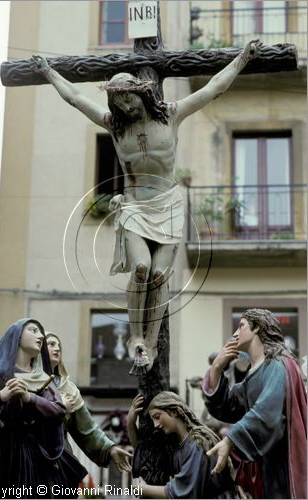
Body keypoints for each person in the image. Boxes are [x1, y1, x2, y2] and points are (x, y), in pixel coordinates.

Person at [32, 40, 262, 373]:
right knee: (140, 269)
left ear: (141, 93)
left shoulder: (170, 114)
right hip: (135, 208)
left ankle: (150, 344)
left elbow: (213, 88)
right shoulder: (114, 126)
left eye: (129, 97)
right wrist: (49, 72)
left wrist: (242, 59)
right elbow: (76, 98)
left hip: (168, 206)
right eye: (119, 100)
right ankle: (135, 337)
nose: (126, 105)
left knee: (158, 276)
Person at [0, 319, 86, 499]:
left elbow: (58, 409)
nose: (40, 335)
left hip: (38, 455)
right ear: (17, 337)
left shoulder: (42, 377)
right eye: (33, 330)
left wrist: (30, 398)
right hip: (5, 456)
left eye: (40, 332)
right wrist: (0, 396)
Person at [202, 308, 307, 499]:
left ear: (257, 328)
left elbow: (267, 413)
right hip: (264, 468)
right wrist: (217, 368)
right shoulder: (256, 372)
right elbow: (229, 406)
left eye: (241, 326)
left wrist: (231, 440)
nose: (234, 333)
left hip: (280, 470)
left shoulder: (278, 364)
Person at [46, 333, 132, 472]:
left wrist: (110, 447)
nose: (57, 349)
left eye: (59, 345)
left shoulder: (69, 389)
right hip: (30, 453)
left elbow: (87, 429)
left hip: (60, 458)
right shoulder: (26, 381)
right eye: (51, 344)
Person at [127, 391, 236, 499]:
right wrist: (130, 422)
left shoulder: (197, 444)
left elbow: (185, 492)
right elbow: (144, 451)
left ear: (173, 411)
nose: (156, 425)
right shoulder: (176, 444)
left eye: (157, 416)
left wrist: (145, 489)